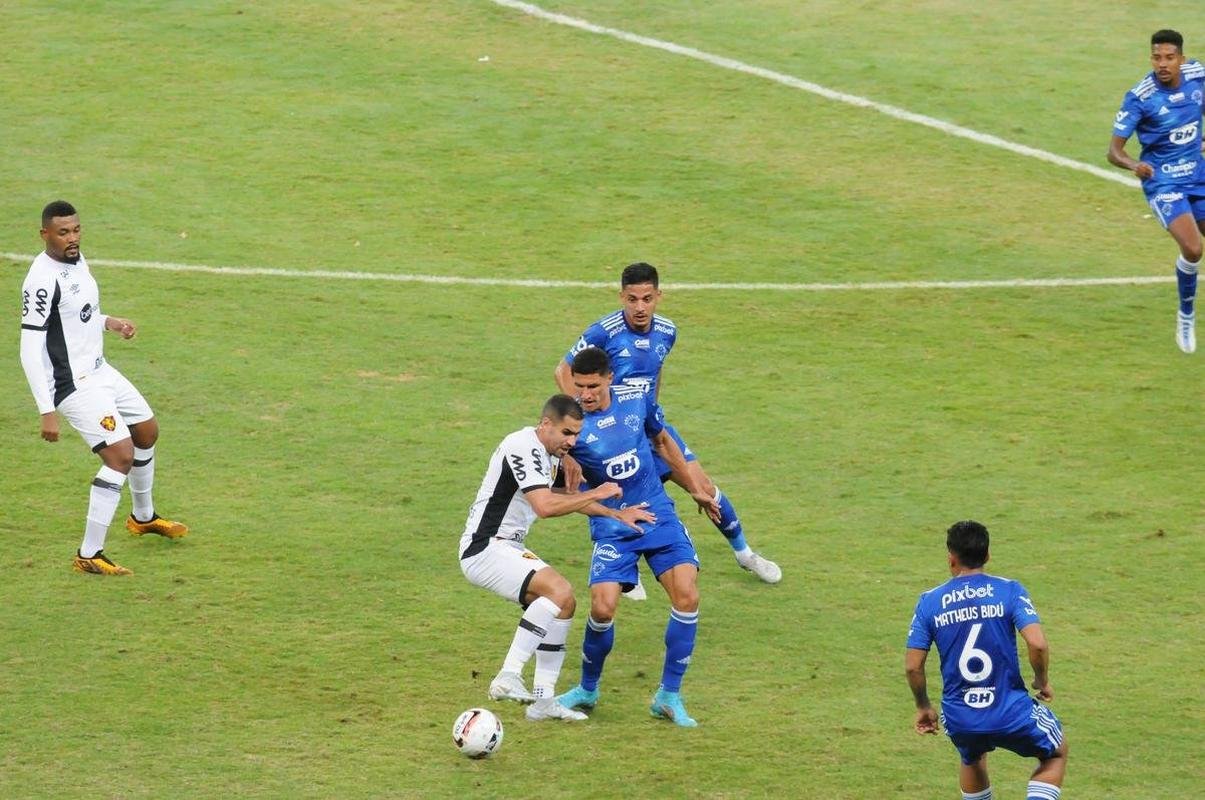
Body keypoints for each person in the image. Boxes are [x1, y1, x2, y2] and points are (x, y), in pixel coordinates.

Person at [554, 262, 781, 592]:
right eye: (632, 299)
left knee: (703, 487)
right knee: (610, 493)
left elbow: (655, 371)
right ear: (622, 297)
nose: (640, 307)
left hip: (649, 427)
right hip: (613, 434)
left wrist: (651, 411)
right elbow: (563, 371)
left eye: (647, 298)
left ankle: (745, 553)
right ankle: (622, 570)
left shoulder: (667, 331)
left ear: (658, 296)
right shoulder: (603, 332)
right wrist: (582, 423)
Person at [459, 394, 654, 722]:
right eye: (567, 433)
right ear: (546, 424)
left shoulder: (548, 455)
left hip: (508, 546)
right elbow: (546, 507)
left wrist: (615, 514)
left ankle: (543, 701)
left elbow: (568, 497)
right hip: (485, 546)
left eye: (576, 434)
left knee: (565, 604)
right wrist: (596, 492)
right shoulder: (520, 445)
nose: (572, 441)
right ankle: (507, 676)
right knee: (559, 590)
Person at [20, 201, 188, 576]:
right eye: (63, 232)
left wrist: (109, 322)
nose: (72, 238)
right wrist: (45, 408)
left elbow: (77, 315)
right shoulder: (41, 280)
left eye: (76, 230)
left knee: (147, 431)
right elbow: (29, 346)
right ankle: (89, 553)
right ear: (44, 234)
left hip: (100, 371)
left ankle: (143, 517)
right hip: (72, 384)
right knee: (119, 456)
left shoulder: (77, 262)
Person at [555, 347, 720, 727]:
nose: (586, 395)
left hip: (657, 514)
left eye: (593, 386)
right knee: (602, 607)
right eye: (579, 387)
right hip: (614, 524)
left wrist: (694, 486)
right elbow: (559, 489)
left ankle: (668, 695)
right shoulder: (571, 426)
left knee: (687, 594)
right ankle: (587, 689)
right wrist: (566, 459)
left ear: (610, 378)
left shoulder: (636, 400)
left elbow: (662, 442)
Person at [905, 521, 1068, 800]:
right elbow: (1038, 644)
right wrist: (1042, 680)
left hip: (961, 716)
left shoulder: (929, 602)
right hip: (1010, 709)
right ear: (988, 555)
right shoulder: (1010, 591)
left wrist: (923, 706)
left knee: (972, 755)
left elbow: (912, 665)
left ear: (951, 558)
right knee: (1055, 752)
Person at [1107, 29, 1204, 354]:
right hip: (1163, 182)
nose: (1162, 64)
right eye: (1156, 57)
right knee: (1193, 248)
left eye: (1169, 57)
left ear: (1181, 59)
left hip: (1198, 176)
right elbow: (1113, 151)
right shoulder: (1141, 97)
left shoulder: (1197, 78)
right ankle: (1186, 313)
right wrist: (1135, 165)